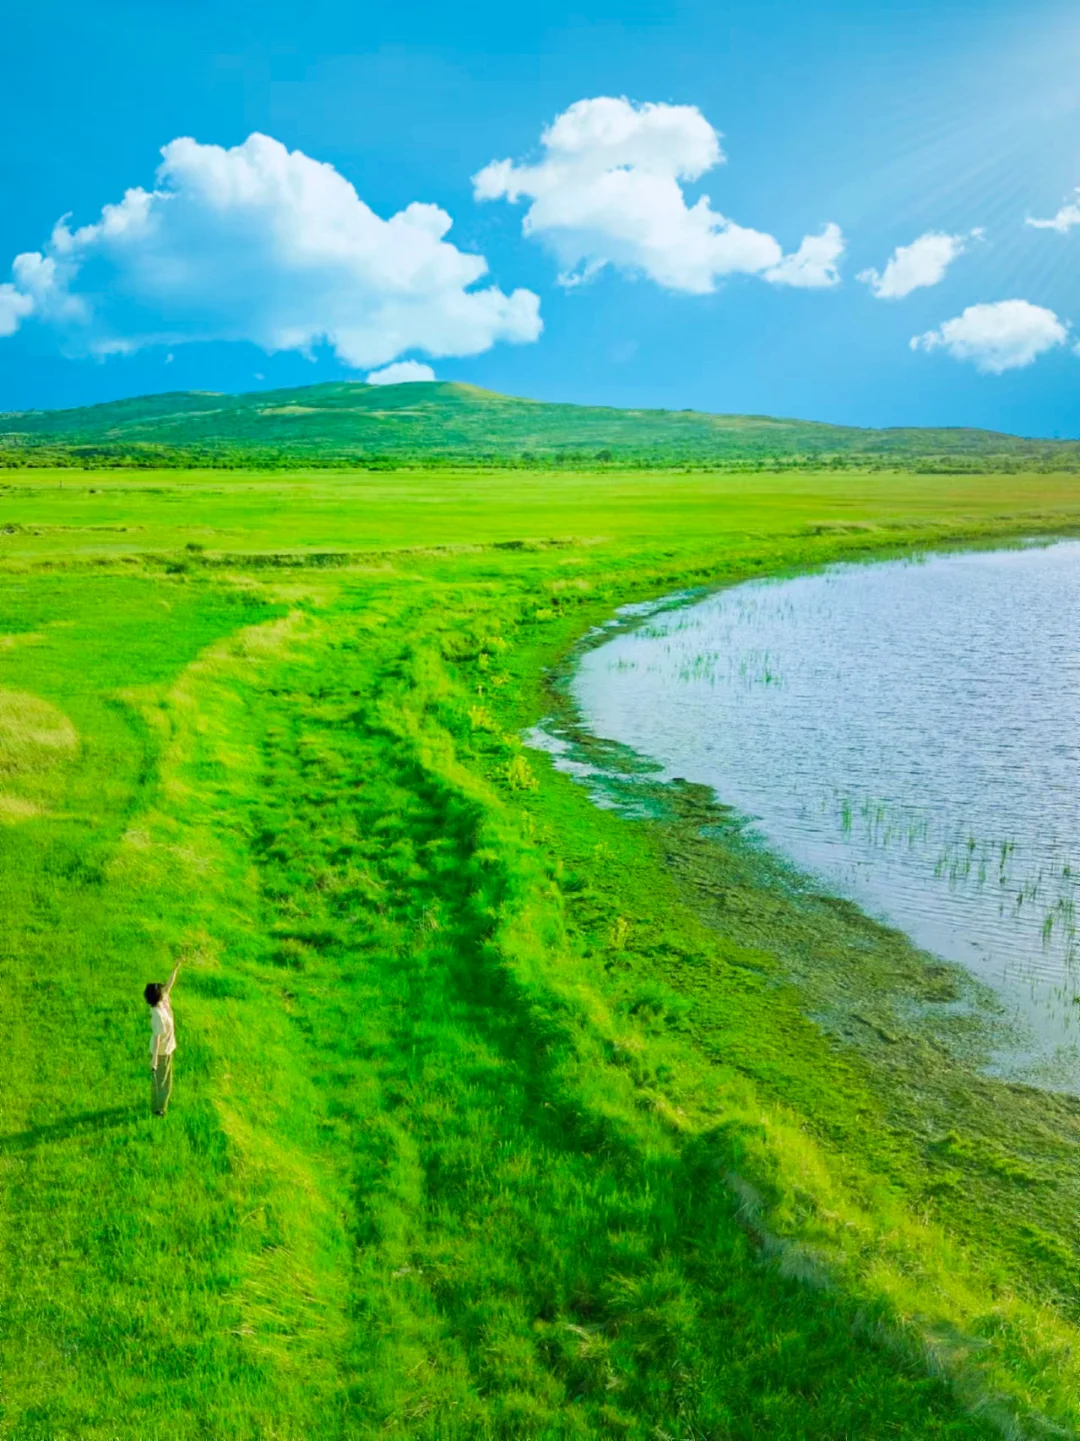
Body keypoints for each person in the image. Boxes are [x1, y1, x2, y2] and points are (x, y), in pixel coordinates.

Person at [145, 961, 182, 1116]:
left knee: (166, 1080)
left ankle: (160, 1105)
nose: (163, 989)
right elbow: (157, 1037)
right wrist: (154, 1059)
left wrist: (176, 967)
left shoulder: (163, 1000)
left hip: (167, 1048)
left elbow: (169, 985)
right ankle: (158, 1109)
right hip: (160, 1052)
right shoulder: (157, 1015)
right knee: (161, 1082)